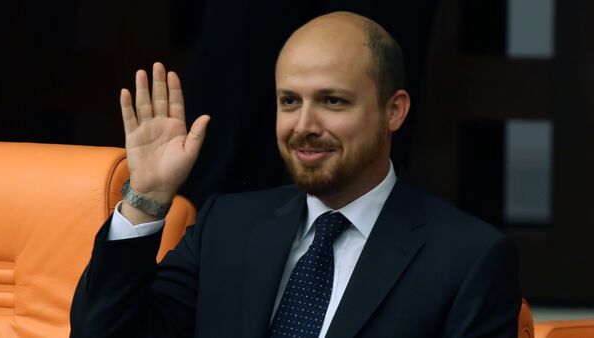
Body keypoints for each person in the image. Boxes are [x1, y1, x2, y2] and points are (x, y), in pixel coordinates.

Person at [70, 11, 520, 338]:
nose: (303, 125)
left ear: (394, 110)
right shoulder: (225, 225)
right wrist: (146, 194)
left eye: (332, 101)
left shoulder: (467, 258)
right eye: (289, 101)